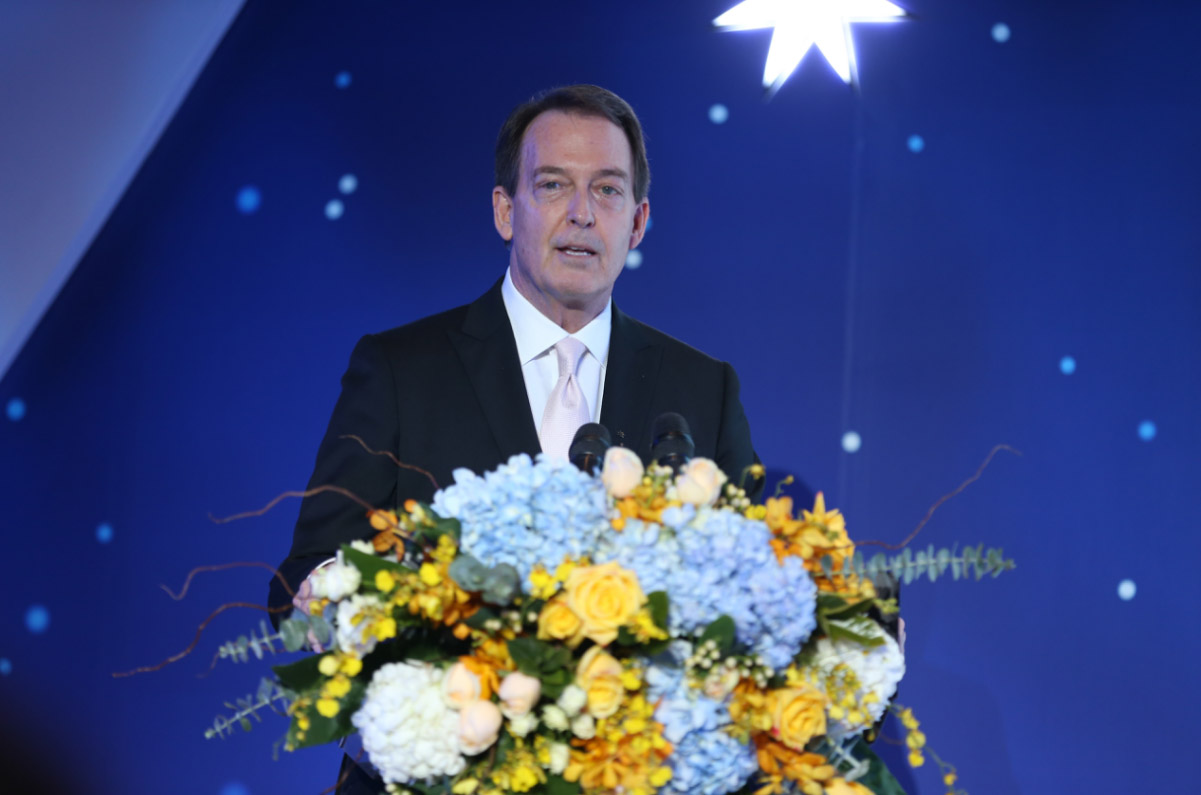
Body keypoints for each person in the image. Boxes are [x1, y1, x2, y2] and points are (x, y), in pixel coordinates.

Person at [269, 84, 760, 794]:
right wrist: (368, 615)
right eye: (552, 184)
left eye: (608, 190)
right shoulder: (403, 368)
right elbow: (302, 579)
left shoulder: (701, 389)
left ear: (638, 222)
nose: (581, 213)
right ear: (505, 210)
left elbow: (750, 584)